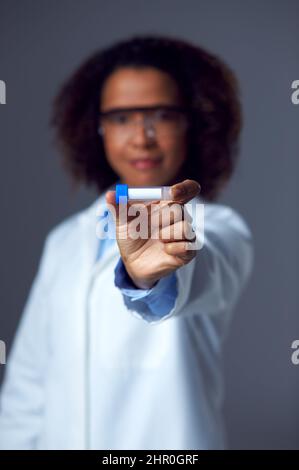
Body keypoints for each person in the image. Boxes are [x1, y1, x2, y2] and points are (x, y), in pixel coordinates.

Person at [0, 35, 253, 450]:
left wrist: (147, 280)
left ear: (194, 122)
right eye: (121, 118)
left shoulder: (220, 229)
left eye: (163, 115)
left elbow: (204, 271)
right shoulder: (64, 240)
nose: (141, 137)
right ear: (96, 127)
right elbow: (28, 384)